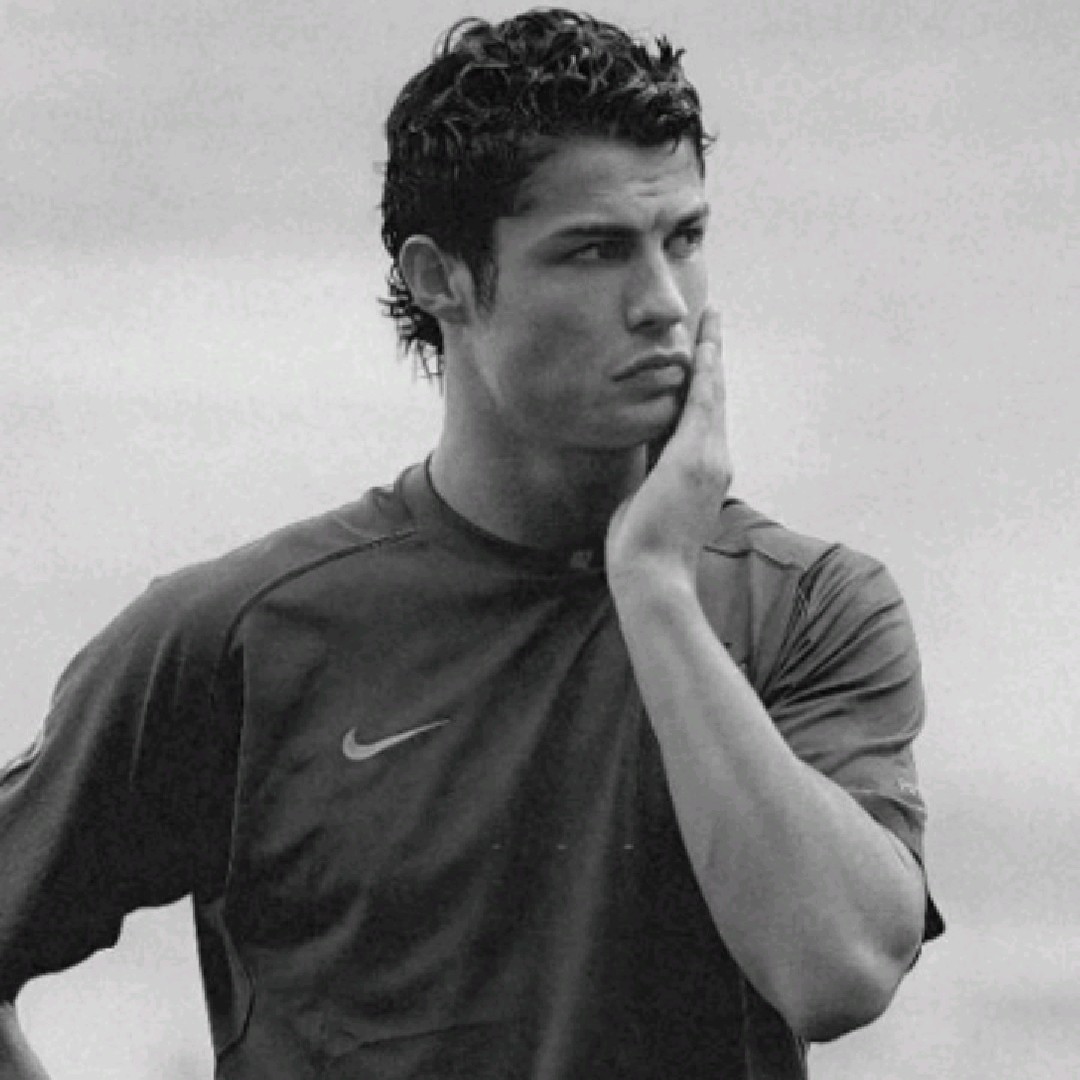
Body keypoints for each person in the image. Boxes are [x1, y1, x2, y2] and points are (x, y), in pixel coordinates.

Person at [0, 9, 943, 1079]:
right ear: (440, 277)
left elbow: (838, 972)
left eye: (683, 239)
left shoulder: (806, 607)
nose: (662, 305)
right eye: (594, 251)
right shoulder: (240, 639)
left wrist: (654, 590)